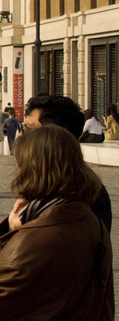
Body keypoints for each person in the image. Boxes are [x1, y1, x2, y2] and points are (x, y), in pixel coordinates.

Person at [0, 126, 114, 320]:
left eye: (20, 165)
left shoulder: (34, 237)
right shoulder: (90, 220)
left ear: (33, 170)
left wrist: (15, 235)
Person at [22, 94, 113, 230]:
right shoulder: (45, 181)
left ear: (57, 137)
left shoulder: (81, 193)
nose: (21, 137)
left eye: (30, 129)